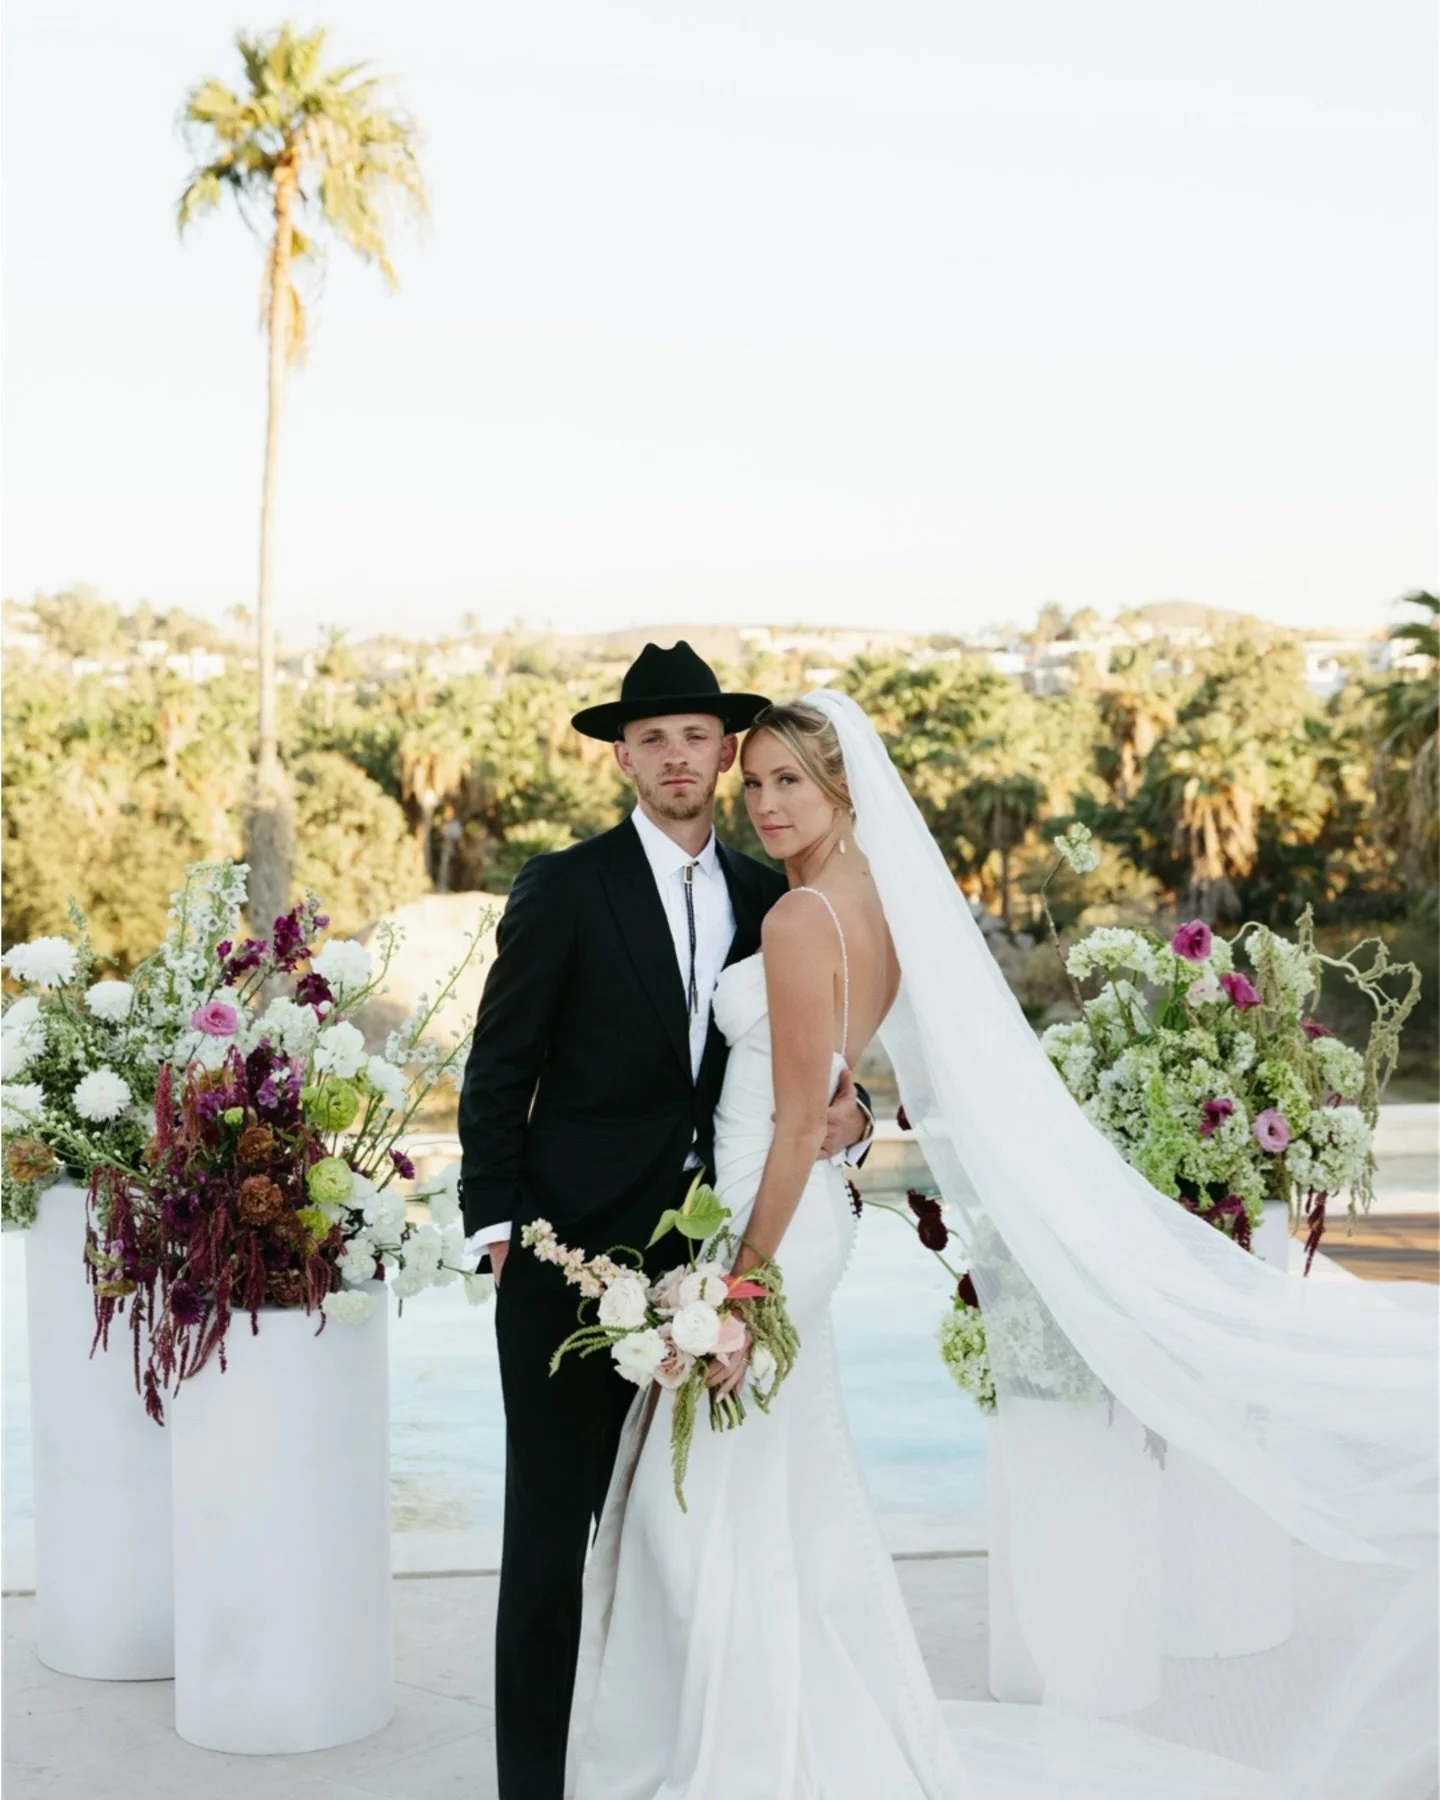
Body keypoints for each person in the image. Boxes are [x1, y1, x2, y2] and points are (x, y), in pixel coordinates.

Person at [564, 693, 1437, 1800]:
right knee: (771, 1495)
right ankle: (797, 1730)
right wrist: (840, 1132)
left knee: (691, 1511)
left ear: (844, 788)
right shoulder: (864, 898)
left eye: (793, 781)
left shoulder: (796, 920)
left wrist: (739, 1279)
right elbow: (836, 1084)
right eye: (759, 785)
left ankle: (743, 1752)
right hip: (803, 1214)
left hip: (768, 1221)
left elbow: (794, 1121)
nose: (769, 805)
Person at [456, 646, 874, 1800]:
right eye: (653, 739)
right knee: (549, 1542)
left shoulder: (770, 893)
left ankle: (676, 1760)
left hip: (714, 1262)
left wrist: (858, 1116)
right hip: (567, 1261)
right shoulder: (563, 884)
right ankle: (531, 1787)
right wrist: (492, 1223)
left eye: (697, 735)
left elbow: (808, 1060)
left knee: (688, 1542)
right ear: (623, 756)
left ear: (725, 751)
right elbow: (499, 1070)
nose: (678, 756)